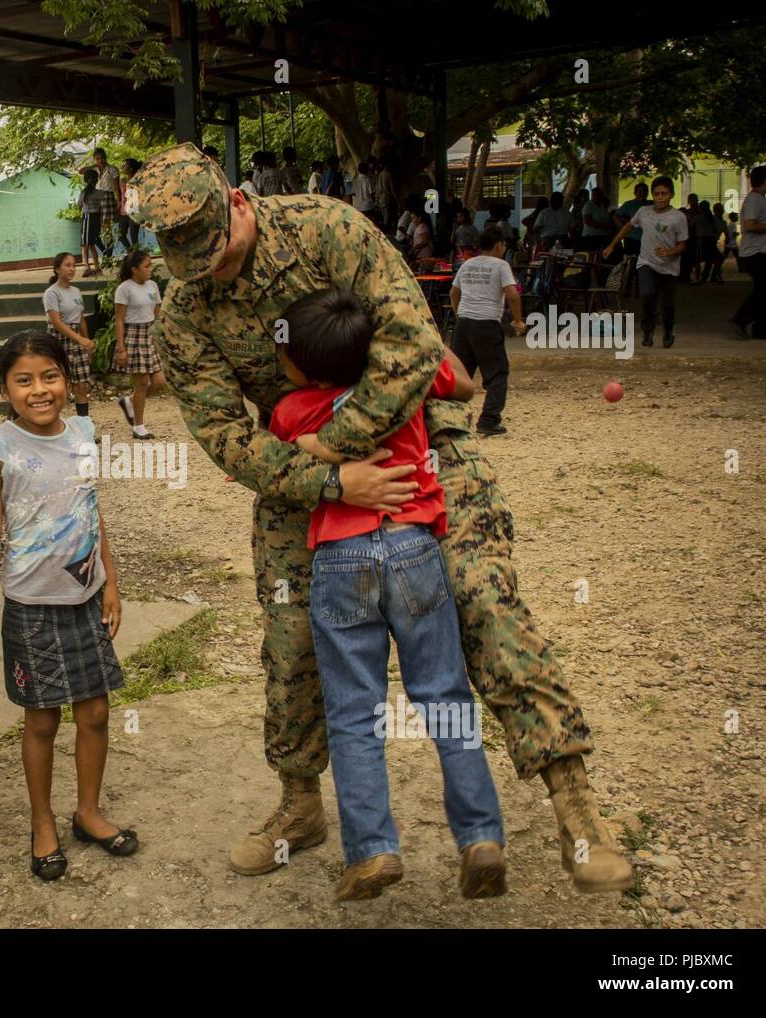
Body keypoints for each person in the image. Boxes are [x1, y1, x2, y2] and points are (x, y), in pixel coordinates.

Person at [124, 142, 632, 895]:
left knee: (484, 599)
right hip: (303, 476)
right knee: (292, 633)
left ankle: (577, 808)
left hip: (416, 441)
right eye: (185, 257)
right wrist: (330, 480)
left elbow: (411, 342)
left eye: (215, 247)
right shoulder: (186, 309)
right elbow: (226, 437)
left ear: (235, 199)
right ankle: (301, 807)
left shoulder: (324, 229)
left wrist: (344, 450)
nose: (209, 268)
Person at [269, 288, 507, 900]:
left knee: (354, 713)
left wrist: (318, 444)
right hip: (413, 548)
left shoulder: (292, 408)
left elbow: (280, 452)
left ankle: (373, 852)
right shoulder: (401, 384)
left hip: (340, 558)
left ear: (298, 364)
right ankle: (480, 837)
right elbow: (462, 387)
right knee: (445, 695)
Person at [0, 330, 136, 881]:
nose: (39, 390)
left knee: (96, 712)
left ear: (66, 379)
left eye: (49, 376)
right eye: (23, 380)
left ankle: (88, 812)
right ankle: (42, 823)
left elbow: (91, 507)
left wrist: (111, 581)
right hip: (31, 603)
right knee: (42, 719)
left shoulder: (83, 430)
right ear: (6, 389)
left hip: (85, 596)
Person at [449, 226, 528, 436]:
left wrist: (459, 315)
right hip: (486, 324)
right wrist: (518, 321)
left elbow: (454, 293)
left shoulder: (467, 265)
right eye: (504, 244)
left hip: (464, 323)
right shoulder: (501, 266)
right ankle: (489, 420)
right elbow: (512, 295)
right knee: (496, 374)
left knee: (458, 373)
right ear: (499, 244)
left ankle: (449, 419)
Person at [603, 175, 688, 348]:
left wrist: (669, 251)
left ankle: (668, 332)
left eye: (664, 193)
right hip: (646, 262)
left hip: (669, 267)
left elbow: (683, 245)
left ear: (671, 194)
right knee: (647, 294)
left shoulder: (678, 217)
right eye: (657, 194)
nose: (660, 197)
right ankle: (647, 332)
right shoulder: (644, 212)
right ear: (652, 195)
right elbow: (628, 227)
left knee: (667, 304)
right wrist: (612, 245)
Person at [112, 250, 167, 439]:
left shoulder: (152, 285)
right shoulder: (124, 289)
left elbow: (158, 312)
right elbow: (119, 319)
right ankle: (138, 426)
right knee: (142, 383)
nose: (149, 270)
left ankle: (130, 401)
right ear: (134, 269)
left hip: (150, 334)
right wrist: (121, 348)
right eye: (146, 266)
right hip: (133, 336)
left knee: (160, 381)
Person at [729, 165, 766, 341]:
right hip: (756, 253)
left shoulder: (762, 200)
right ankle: (740, 319)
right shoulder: (754, 200)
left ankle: (761, 328)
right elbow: (750, 225)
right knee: (762, 289)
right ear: (765, 180)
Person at [42, 252, 95, 413]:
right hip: (59, 340)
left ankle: (84, 427)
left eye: (74, 265)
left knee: (81, 385)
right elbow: (56, 322)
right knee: (59, 385)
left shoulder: (76, 291)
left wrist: (86, 341)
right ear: (57, 269)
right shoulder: (52, 293)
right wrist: (80, 339)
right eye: (67, 265)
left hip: (77, 339)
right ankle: (54, 426)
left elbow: (81, 318)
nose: (72, 269)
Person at [80, 148, 120, 256]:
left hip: (108, 198)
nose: (100, 160)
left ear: (105, 157)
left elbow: (117, 187)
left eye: (102, 158)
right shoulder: (95, 170)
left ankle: (109, 255)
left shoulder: (112, 169)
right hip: (96, 199)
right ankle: (104, 251)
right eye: (97, 158)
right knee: (96, 229)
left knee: (107, 229)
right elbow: (81, 171)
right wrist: (93, 166)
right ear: (94, 159)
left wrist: (119, 201)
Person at [613, 183, 652, 258]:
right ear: (635, 192)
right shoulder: (629, 204)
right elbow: (615, 216)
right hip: (631, 238)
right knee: (630, 261)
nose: (642, 193)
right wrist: (623, 227)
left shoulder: (650, 204)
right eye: (640, 191)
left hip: (647, 239)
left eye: (645, 191)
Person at [77, 169, 103, 276]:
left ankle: (86, 267)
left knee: (84, 245)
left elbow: (78, 205)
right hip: (96, 218)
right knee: (91, 244)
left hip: (87, 218)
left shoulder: (84, 193)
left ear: (86, 180)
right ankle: (97, 268)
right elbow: (101, 207)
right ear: (96, 180)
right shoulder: (100, 193)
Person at [118, 157, 143, 250]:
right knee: (121, 235)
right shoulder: (122, 181)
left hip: (134, 211)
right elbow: (121, 196)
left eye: (125, 165)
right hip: (124, 211)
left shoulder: (138, 181)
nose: (123, 166)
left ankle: (136, 256)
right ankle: (131, 253)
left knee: (134, 236)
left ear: (131, 169)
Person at [581, 187, 613, 252]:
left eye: (599, 195)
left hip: (603, 236)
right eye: (594, 195)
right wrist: (605, 226)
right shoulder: (588, 205)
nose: (596, 197)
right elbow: (587, 221)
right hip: (591, 237)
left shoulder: (602, 205)